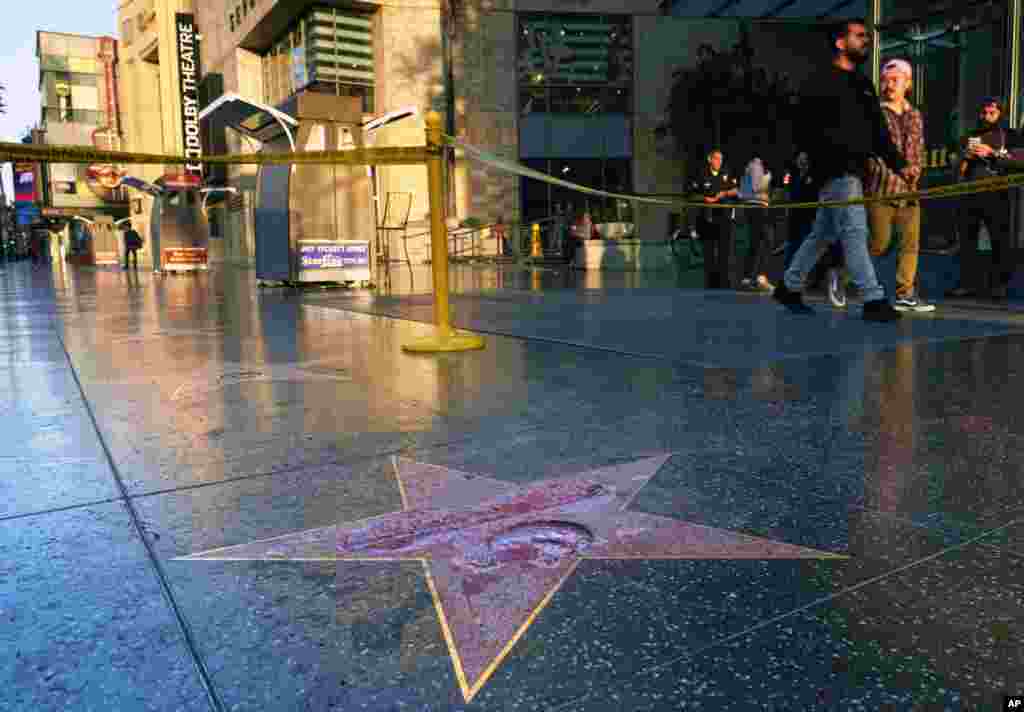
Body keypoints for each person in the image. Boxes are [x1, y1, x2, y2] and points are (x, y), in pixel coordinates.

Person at [774, 18, 913, 322]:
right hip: (834, 170)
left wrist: (900, 165)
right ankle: (873, 299)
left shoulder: (863, 85)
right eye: (859, 36)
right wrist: (799, 160)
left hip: (854, 170)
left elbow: (878, 133)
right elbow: (800, 127)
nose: (866, 41)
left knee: (822, 233)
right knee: (854, 231)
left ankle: (789, 286)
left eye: (866, 36)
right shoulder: (818, 81)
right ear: (840, 42)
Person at [864, 58, 934, 312]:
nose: (889, 84)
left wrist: (916, 171)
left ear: (908, 83)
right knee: (878, 244)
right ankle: (841, 272)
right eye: (886, 79)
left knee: (910, 244)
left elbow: (918, 148)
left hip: (910, 190)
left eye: (895, 79)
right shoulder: (875, 113)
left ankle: (906, 293)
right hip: (882, 188)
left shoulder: (915, 115)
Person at [946, 97, 1022, 299]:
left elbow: (1018, 160)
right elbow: (956, 168)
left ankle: (999, 285)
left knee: (1000, 240)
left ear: (1000, 115)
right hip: (970, 193)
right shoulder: (970, 136)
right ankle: (968, 283)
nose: (987, 117)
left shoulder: (1010, 135)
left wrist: (993, 152)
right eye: (984, 113)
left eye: (992, 113)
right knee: (967, 241)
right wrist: (964, 157)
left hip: (997, 193)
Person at [689, 148, 738, 289]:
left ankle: (724, 283)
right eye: (716, 158)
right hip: (707, 219)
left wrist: (724, 193)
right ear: (709, 159)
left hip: (724, 218)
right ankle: (710, 284)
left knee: (724, 252)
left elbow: (736, 190)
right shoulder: (701, 174)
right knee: (709, 252)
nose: (719, 161)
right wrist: (705, 198)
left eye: (721, 159)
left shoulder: (727, 172)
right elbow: (692, 194)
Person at [737, 139, 775, 292]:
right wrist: (768, 178)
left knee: (755, 243)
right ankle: (760, 277)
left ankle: (747, 278)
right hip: (756, 207)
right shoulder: (756, 165)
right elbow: (756, 187)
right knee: (767, 240)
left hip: (755, 207)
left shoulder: (752, 166)